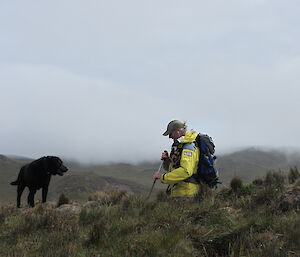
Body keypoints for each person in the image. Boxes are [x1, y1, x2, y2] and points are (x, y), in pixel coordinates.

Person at [153, 120, 200, 198]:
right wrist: (166, 160)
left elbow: (185, 171)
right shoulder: (180, 146)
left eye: (170, 133)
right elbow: (173, 169)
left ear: (178, 131)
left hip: (186, 193)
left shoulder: (189, 147)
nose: (170, 137)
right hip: (179, 192)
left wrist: (163, 177)